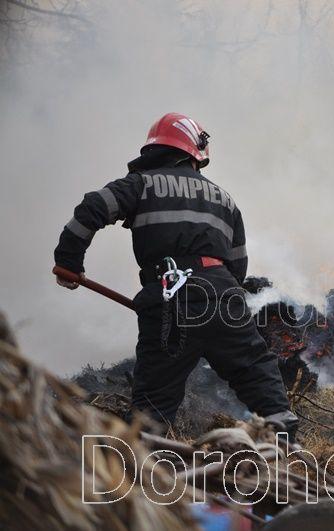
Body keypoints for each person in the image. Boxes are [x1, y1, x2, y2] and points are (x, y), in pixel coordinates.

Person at [54, 113, 297, 436]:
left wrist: (69, 262)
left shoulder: (140, 184)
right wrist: (218, 302)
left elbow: (92, 208)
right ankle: (285, 440)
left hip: (169, 298)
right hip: (223, 297)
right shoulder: (225, 200)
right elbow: (238, 266)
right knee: (254, 371)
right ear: (194, 153)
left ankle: (144, 455)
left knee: (153, 405)